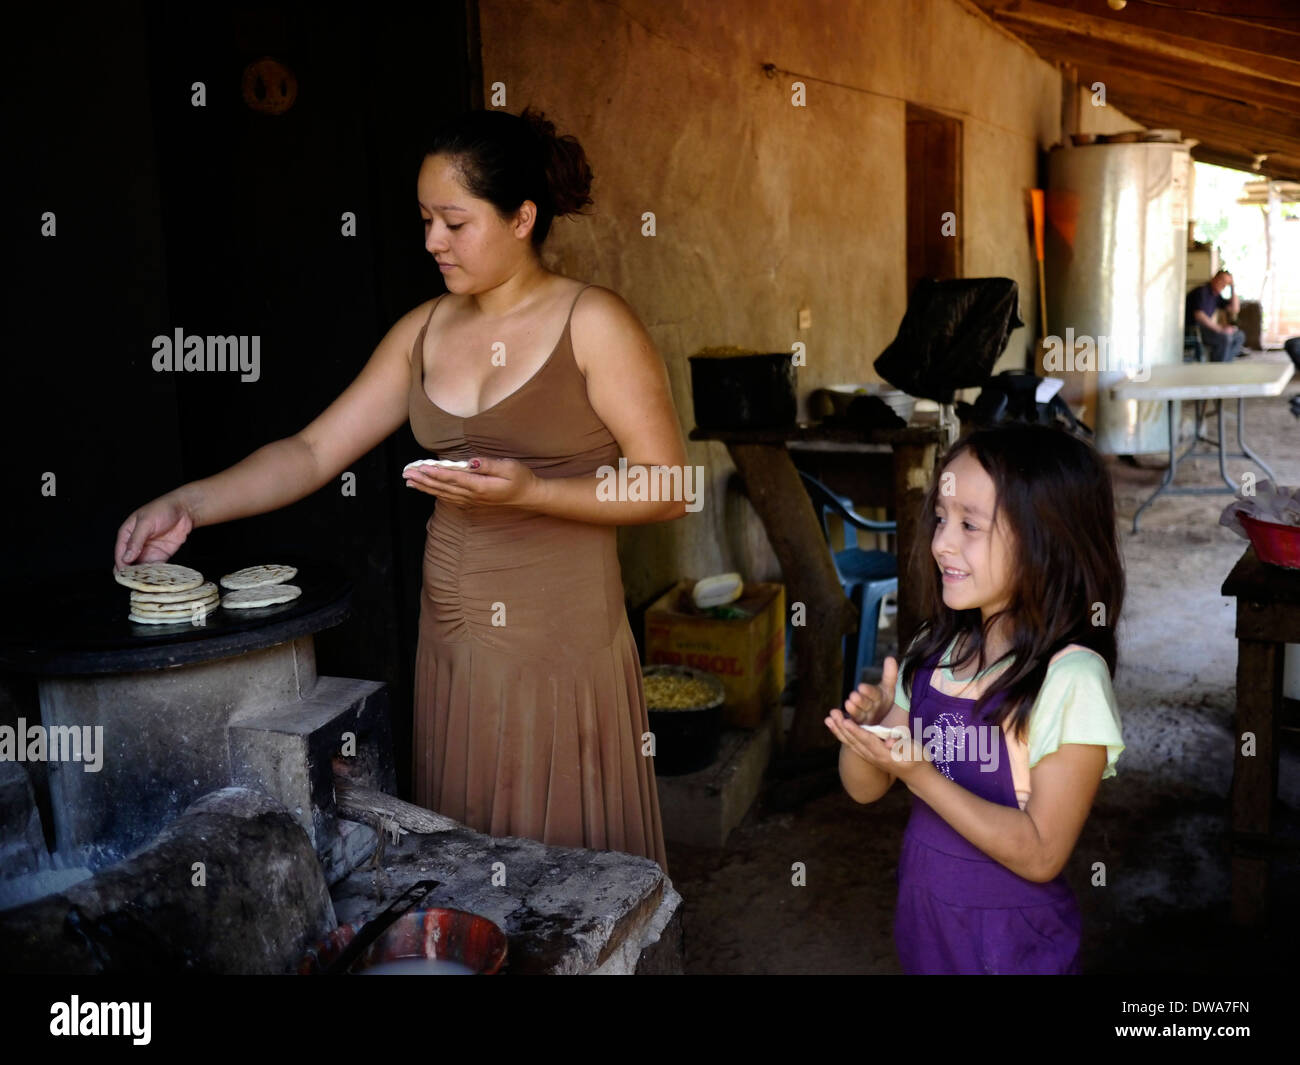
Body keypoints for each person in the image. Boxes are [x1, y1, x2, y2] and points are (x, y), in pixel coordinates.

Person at [113, 108, 687, 874]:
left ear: (522, 216)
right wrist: (191, 502)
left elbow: (668, 484)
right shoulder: (423, 330)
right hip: (451, 635)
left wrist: (531, 492)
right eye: (424, 220)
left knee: (560, 860)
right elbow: (314, 449)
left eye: (454, 221)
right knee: (469, 846)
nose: (431, 242)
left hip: (560, 642)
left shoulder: (594, 323)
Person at [825, 423, 1125, 974]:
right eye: (941, 519)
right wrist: (870, 733)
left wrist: (918, 774)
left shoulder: (1071, 680)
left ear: (1046, 539)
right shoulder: (934, 652)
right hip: (926, 925)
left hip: (1014, 944)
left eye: (969, 524)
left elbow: (1040, 853)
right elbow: (864, 791)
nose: (941, 542)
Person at [1186, 269, 1244, 362]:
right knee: (1225, 337)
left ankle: (1225, 365)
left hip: (1205, 329)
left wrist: (1233, 287)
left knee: (1239, 336)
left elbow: (1234, 309)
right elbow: (1199, 315)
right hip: (1194, 329)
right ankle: (1217, 368)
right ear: (1214, 278)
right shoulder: (1203, 291)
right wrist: (1220, 329)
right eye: (1221, 280)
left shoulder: (1216, 296)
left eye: (1226, 283)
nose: (1223, 284)